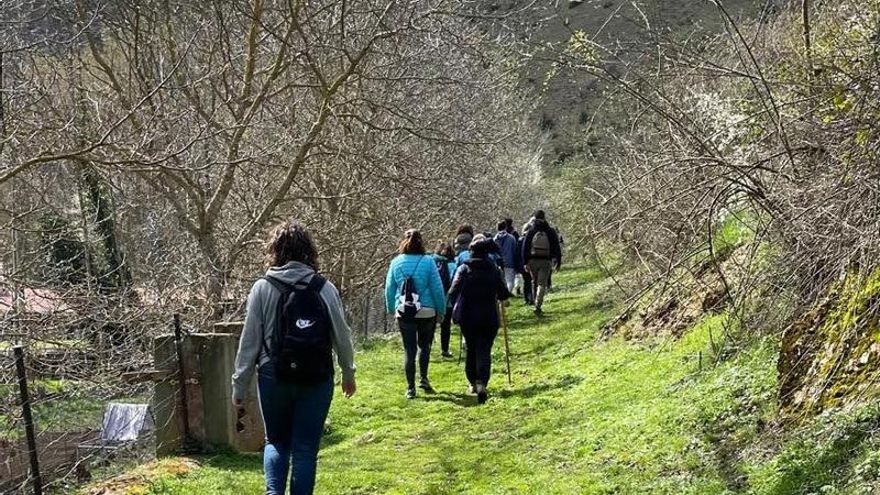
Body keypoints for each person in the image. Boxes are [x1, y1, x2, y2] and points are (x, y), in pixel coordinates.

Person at [232, 221, 356, 495]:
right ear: (309, 251)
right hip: (317, 375)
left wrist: (239, 386)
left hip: (272, 375)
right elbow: (342, 335)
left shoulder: (262, 288)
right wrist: (348, 373)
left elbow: (249, 342)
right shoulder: (325, 288)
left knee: (276, 441)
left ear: (274, 251)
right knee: (305, 449)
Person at [448, 238, 511, 404]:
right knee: (484, 349)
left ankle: (472, 383)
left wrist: (456, 304)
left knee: (471, 349)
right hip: (489, 316)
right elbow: (503, 293)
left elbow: (453, 291)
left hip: (467, 317)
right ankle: (482, 382)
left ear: (471, 252)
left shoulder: (463, 269)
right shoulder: (494, 269)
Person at [385, 229, 447, 399]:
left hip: (404, 310)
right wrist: (441, 310)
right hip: (427, 310)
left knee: (409, 349)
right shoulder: (428, 262)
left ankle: (410, 387)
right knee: (424, 346)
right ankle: (424, 378)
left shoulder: (395, 262)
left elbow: (389, 288)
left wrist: (391, 308)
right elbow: (437, 288)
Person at [521, 215, 562, 315]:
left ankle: (534, 302)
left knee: (534, 282)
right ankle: (538, 305)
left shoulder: (531, 231)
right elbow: (556, 246)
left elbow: (525, 247)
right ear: (544, 218)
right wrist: (558, 261)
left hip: (532, 260)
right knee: (542, 284)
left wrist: (525, 262)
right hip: (546, 261)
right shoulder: (550, 231)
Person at [433, 241, 457, 359]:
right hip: (447, 300)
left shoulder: (432, 263)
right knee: (446, 326)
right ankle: (444, 350)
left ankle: (426, 348)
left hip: (433, 300)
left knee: (430, 325)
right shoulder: (453, 265)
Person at [493, 221, 517, 293]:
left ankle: (501, 293)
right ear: (505, 227)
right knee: (510, 280)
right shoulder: (511, 238)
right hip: (509, 261)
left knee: (500, 279)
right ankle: (508, 293)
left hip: (498, 262)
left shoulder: (495, 239)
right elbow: (514, 250)